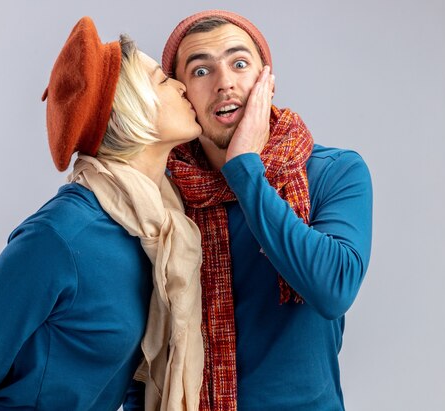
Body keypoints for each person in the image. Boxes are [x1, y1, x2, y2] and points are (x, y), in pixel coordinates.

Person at [0, 16, 204, 411]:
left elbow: (128, 382)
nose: (181, 85)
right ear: (133, 114)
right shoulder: (59, 237)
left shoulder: (156, 233)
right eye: (163, 80)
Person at [124, 9, 373, 411]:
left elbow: (333, 288)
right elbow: (141, 349)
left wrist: (245, 172)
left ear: (266, 82)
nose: (225, 83)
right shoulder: (161, 194)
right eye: (201, 71)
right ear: (181, 93)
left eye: (239, 64)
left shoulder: (335, 172)